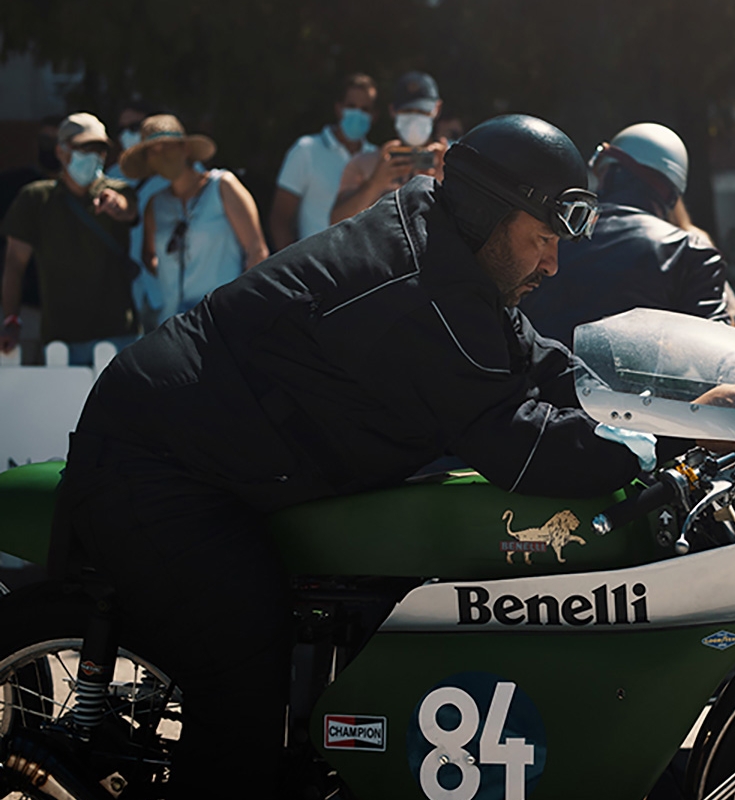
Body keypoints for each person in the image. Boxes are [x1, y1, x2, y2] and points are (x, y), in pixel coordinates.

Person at [54, 114, 646, 798]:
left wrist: (653, 403)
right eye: (543, 239)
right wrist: (647, 449)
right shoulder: (427, 291)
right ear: (489, 214)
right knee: (244, 665)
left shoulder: (451, 249)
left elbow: (538, 362)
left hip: (223, 448)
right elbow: (519, 443)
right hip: (159, 462)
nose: (552, 264)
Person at [521, 122, 730, 346]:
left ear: (607, 173)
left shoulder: (552, 232)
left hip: (543, 368)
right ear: (671, 193)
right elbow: (715, 348)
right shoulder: (690, 250)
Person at [0, 113, 138, 366]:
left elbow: (128, 209)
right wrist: (11, 319)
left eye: (99, 149)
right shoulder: (35, 199)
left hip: (119, 335)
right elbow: (15, 263)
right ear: (61, 152)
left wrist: (117, 206)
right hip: (61, 338)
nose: (93, 156)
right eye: (84, 148)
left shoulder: (119, 190)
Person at [120, 115, 269, 326]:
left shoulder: (221, 185)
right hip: (175, 323)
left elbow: (257, 251)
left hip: (224, 319)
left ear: (185, 149)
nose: (162, 154)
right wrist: (171, 273)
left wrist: (237, 303)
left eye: (167, 146)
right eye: (153, 151)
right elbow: (149, 256)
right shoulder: (156, 204)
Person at [270, 73, 378, 249]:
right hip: (315, 262)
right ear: (338, 108)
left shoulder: (379, 160)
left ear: (374, 115)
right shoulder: (306, 150)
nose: (358, 113)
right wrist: (295, 264)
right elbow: (280, 218)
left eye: (365, 109)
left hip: (364, 263)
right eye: (351, 106)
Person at [329, 71, 446, 224]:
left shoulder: (450, 163)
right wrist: (375, 184)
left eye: (422, 111)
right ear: (392, 111)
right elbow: (335, 222)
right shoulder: (365, 163)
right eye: (407, 111)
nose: (414, 118)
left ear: (437, 109)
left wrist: (445, 183)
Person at [0, 115, 61, 364]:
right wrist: (11, 316)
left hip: (68, 313)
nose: (50, 148)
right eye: (45, 140)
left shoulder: (83, 193)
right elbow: (13, 259)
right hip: (24, 307)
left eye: (56, 141)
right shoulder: (11, 186)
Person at [107, 99, 171, 333]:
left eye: (134, 127)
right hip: (127, 292)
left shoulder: (178, 175)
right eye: (121, 129)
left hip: (170, 289)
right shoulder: (112, 177)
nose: (127, 135)